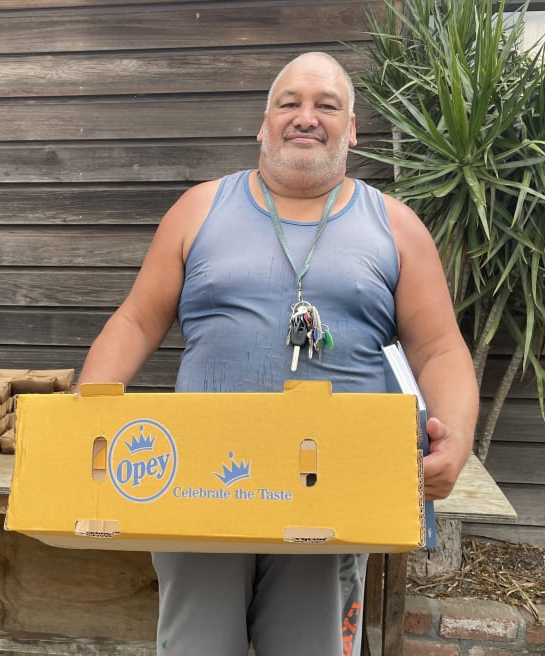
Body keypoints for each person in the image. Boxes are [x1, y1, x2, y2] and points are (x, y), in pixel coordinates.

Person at [75, 52, 479, 656]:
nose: (306, 117)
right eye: (289, 103)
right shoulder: (199, 209)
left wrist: (458, 440)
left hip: (332, 484)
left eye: (327, 105)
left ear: (352, 130)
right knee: (196, 645)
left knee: (307, 647)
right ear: (263, 124)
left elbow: (442, 347)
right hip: (201, 482)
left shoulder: (395, 226)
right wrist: (86, 419)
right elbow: (136, 320)